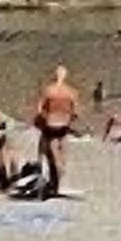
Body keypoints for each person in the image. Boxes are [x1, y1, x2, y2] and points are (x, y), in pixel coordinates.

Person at [31, 65, 78, 200]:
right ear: (65, 76)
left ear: (55, 75)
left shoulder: (48, 90)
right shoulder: (71, 92)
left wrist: (41, 121)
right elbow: (75, 112)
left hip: (50, 124)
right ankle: (58, 175)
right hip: (63, 125)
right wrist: (69, 119)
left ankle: (42, 167)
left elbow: (40, 110)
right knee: (62, 150)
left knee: (45, 146)